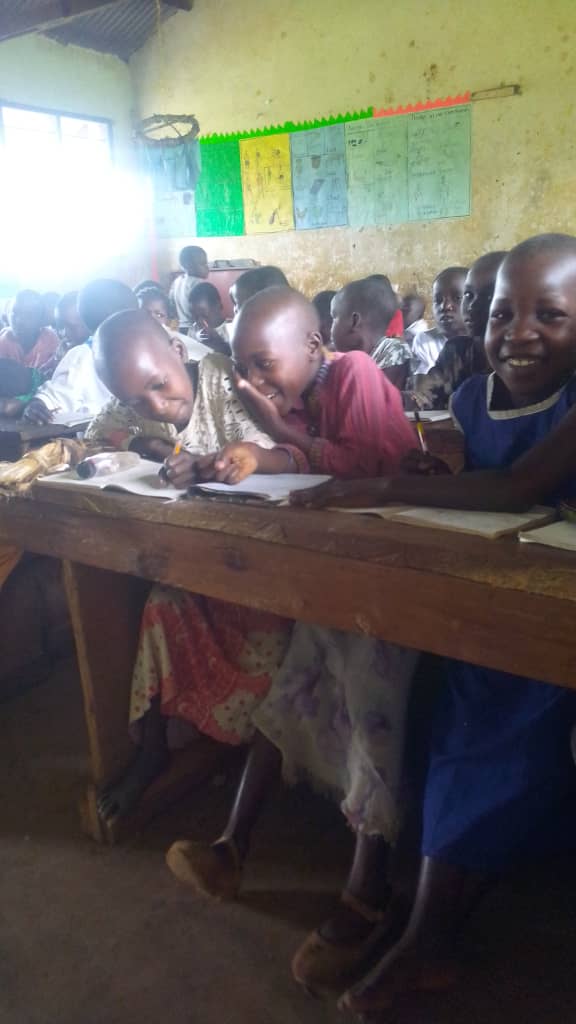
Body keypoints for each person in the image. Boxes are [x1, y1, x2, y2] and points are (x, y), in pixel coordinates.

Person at [290, 234, 576, 1015]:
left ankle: (427, 940)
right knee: (403, 683)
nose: (518, 332)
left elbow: (519, 485)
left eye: (549, 314)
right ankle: (402, 898)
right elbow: (485, 485)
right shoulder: (472, 397)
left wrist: (382, 486)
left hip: (553, 620)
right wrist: (433, 476)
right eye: (500, 313)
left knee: (489, 725)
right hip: (489, 603)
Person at [97, 288, 415, 833]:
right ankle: (168, 762)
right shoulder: (295, 390)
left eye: (262, 365)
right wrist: (233, 454)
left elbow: (352, 465)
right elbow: (294, 457)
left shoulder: (348, 372)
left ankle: (326, 817)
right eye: (245, 368)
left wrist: (269, 438)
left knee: (337, 659)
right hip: (287, 552)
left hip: (372, 561)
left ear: (313, 344)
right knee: (164, 600)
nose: (252, 380)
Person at [22, 279, 137, 424]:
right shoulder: (84, 355)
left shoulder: (83, 355)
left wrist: (39, 403)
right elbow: (55, 396)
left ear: (86, 321)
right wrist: (39, 404)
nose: (63, 333)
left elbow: (55, 397)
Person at [410, 252, 507, 409]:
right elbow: (431, 395)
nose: (472, 305)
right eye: (468, 295)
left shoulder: (521, 356)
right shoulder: (456, 350)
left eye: (488, 295)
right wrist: (421, 390)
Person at [331, 277, 412, 389]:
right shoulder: (356, 358)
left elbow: (376, 396)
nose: (331, 329)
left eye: (334, 318)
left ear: (354, 321)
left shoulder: (394, 350)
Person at [411, 267, 468, 379]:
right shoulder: (426, 341)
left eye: (457, 298)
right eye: (438, 300)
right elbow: (426, 385)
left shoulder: (484, 342)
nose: (445, 306)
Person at [0, 290, 59, 374]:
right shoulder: (3, 342)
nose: (19, 321)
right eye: (14, 313)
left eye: (29, 315)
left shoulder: (51, 341)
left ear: (41, 319)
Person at [170, 245, 209, 333]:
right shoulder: (198, 283)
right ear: (189, 266)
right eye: (203, 264)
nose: (207, 267)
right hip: (195, 330)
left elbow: (171, 306)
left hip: (180, 328)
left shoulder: (177, 281)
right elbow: (204, 311)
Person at [189, 281, 231, 355]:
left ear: (217, 306)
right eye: (195, 317)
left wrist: (218, 341)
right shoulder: (194, 330)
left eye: (204, 315)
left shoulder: (231, 329)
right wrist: (196, 340)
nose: (199, 321)